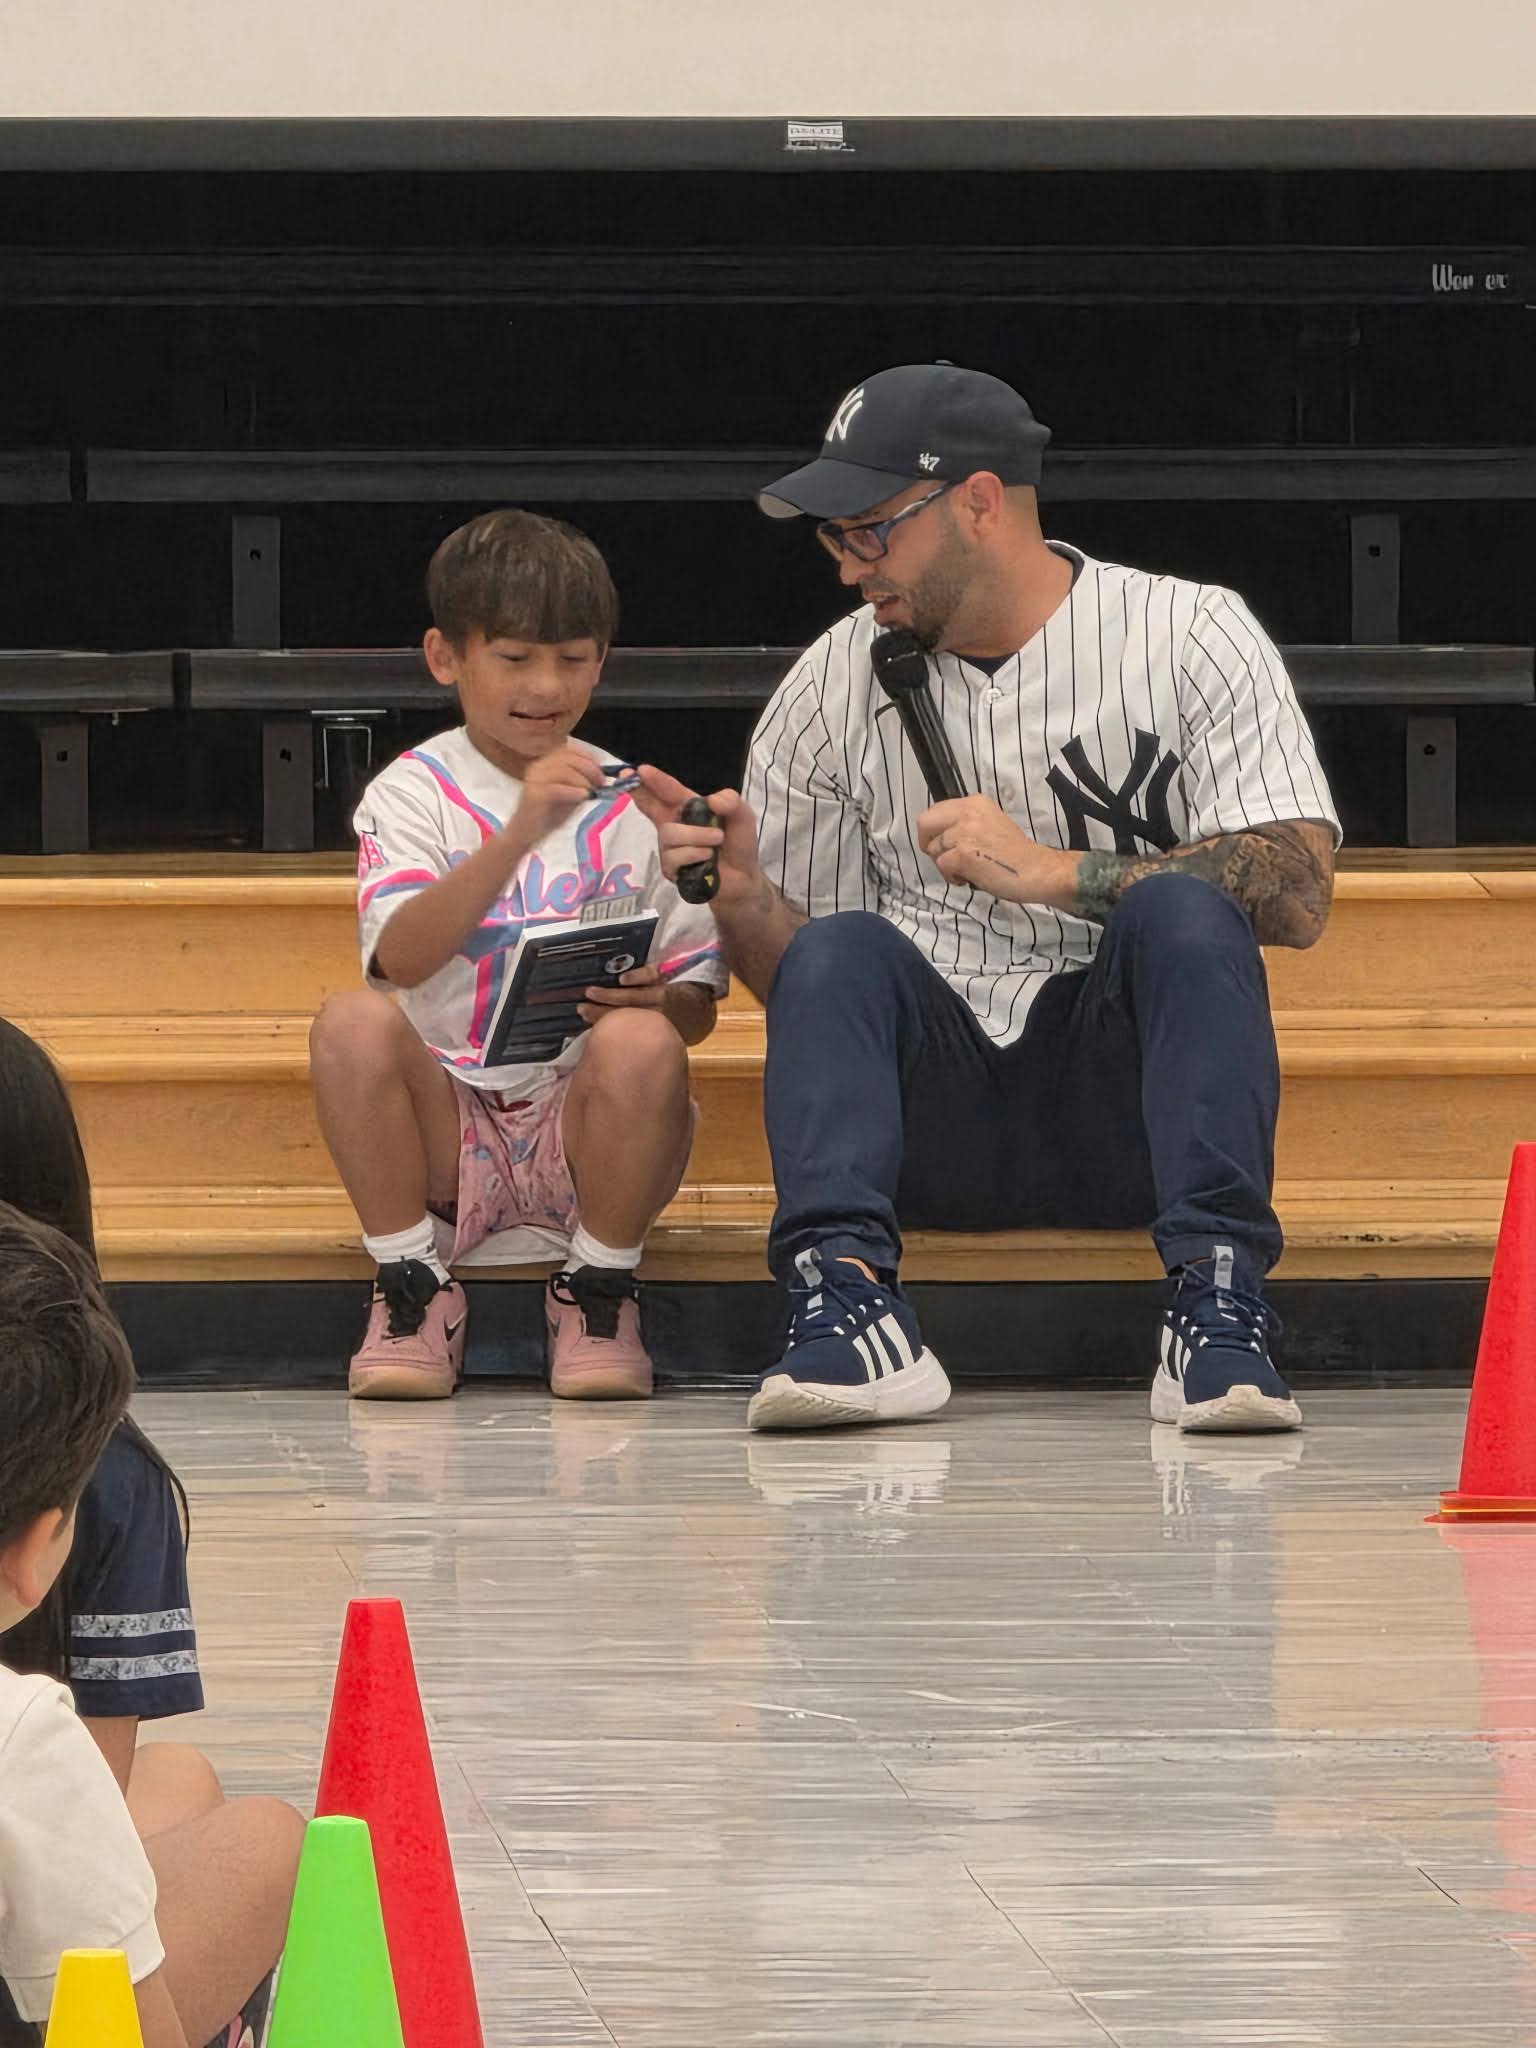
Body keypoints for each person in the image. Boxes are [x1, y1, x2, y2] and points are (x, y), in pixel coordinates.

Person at [639, 361, 1339, 1436]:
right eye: (834, 538)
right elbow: (808, 989)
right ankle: (848, 1304)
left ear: (977, 500)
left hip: (1132, 1108)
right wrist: (739, 900)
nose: (848, 568)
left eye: (871, 530)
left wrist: (1062, 871)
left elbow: (1297, 893)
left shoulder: (1190, 631)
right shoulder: (830, 682)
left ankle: (1219, 1301)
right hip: (935, 1122)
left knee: (1186, 910)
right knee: (840, 947)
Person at [311, 509, 727, 1402]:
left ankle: (599, 1285)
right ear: (445, 657)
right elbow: (396, 963)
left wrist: (662, 1003)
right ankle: (412, 1285)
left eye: (573, 659)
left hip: (584, 1127)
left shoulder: (633, 801)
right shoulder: (413, 791)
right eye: (514, 658)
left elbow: (699, 1006)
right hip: (449, 1123)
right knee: (348, 1025)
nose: (546, 685)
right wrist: (519, 832)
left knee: (643, 1046)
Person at [0, 1204, 302, 2048]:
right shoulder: (25, 1735)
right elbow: (127, 2025)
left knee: (179, 1779)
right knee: (267, 1839)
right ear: (36, 1544)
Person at [0, 1018, 205, 1817]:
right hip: (32, 1875)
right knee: (241, 1825)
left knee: (184, 1776)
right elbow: (87, 1812)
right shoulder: (112, 1468)